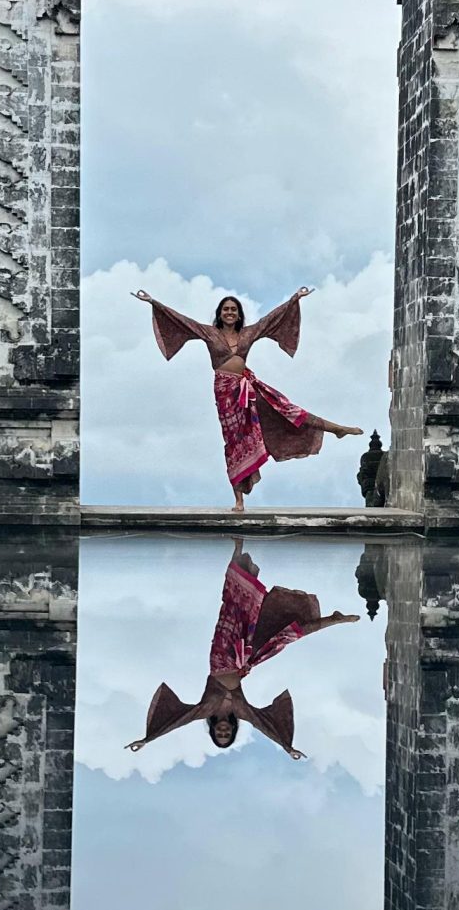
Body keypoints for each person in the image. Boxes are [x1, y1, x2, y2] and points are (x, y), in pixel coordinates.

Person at [133, 284, 362, 509]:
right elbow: (182, 321)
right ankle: (239, 500)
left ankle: (337, 429)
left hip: (249, 386)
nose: (230, 312)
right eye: (226, 309)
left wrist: (295, 299)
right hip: (225, 392)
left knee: (287, 410)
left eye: (234, 309)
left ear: (239, 314)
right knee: (234, 442)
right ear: (220, 314)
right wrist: (153, 302)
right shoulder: (209, 333)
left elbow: (271, 320)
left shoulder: (248, 333)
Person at [126, 541, 359, 761]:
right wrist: (287, 747)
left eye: (220, 735)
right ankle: (334, 619)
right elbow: (265, 727)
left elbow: (175, 722)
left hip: (221, 656)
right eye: (227, 735)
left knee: (232, 608)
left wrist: (147, 739)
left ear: (214, 731)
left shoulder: (204, 711)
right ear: (232, 732)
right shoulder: (242, 712)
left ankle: (237, 553)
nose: (223, 732)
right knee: (282, 636)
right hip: (245, 659)